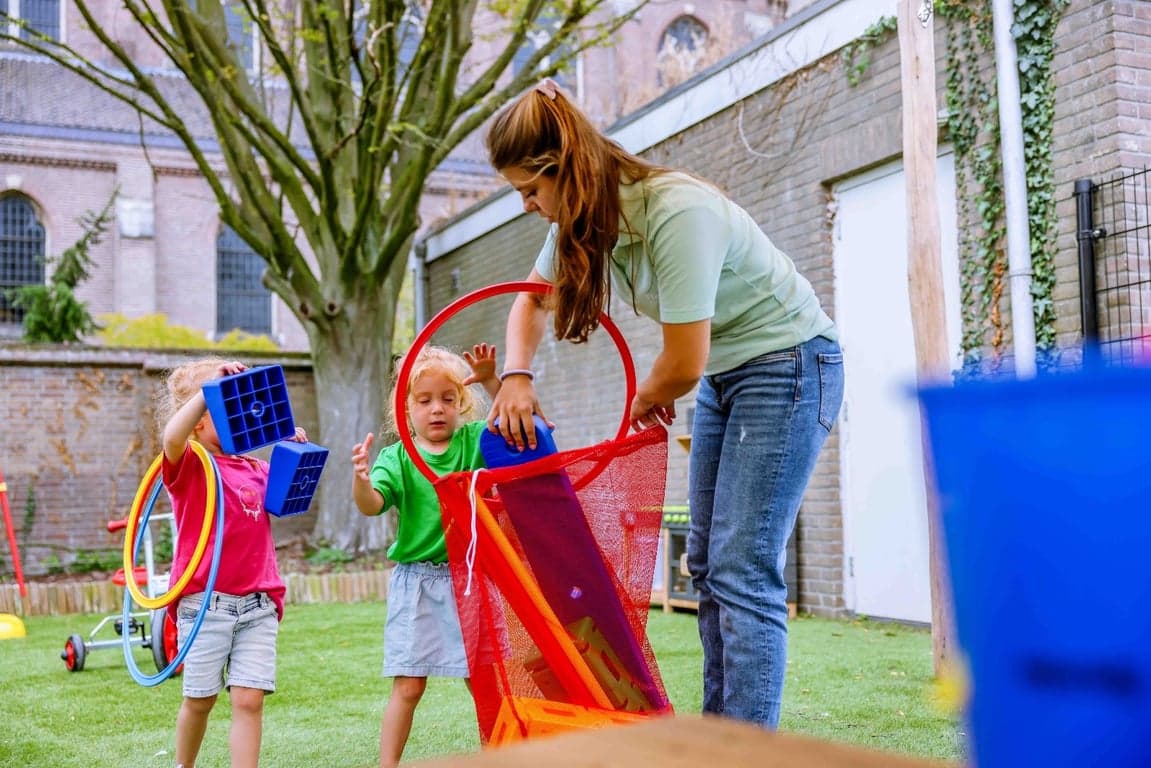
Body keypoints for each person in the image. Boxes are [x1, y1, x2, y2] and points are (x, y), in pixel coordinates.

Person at [483, 80, 845, 729]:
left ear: (565, 171)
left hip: (790, 365)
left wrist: (645, 396)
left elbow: (681, 363)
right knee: (707, 565)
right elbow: (529, 300)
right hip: (729, 375)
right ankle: (717, 736)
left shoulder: (675, 211)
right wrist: (514, 376)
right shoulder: (581, 221)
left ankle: (744, 748)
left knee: (742, 569)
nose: (528, 206)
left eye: (529, 190)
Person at [351, 343, 500, 768]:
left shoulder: (472, 441)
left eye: (448, 399)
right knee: (409, 685)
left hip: (468, 579)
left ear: (462, 404)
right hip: (416, 581)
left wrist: (490, 379)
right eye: (425, 400)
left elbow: (511, 424)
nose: (438, 409)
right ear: (404, 408)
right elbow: (372, 504)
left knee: (483, 681)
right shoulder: (398, 457)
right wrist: (361, 480)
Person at [159, 357, 307, 768]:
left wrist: (292, 453)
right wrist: (208, 392)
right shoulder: (189, 466)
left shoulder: (255, 468)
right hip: (206, 605)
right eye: (221, 408)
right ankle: (183, 764)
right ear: (199, 422)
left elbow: (285, 500)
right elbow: (172, 437)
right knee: (200, 699)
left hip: (259, 603)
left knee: (249, 698)